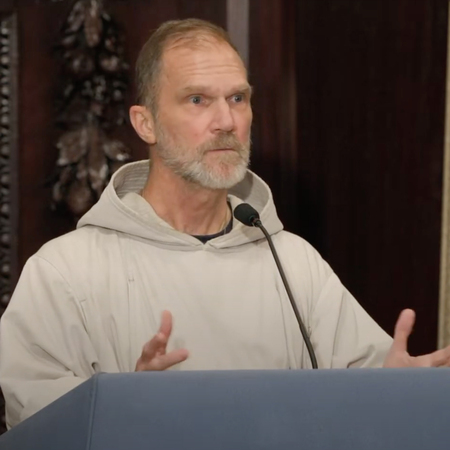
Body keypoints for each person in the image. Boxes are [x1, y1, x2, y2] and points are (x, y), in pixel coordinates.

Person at [1, 18, 449, 429]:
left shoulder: (293, 264)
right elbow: (36, 422)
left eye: (238, 98)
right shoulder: (66, 271)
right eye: (198, 100)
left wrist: (397, 391)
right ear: (146, 123)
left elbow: (361, 398)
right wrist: (125, 405)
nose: (227, 122)